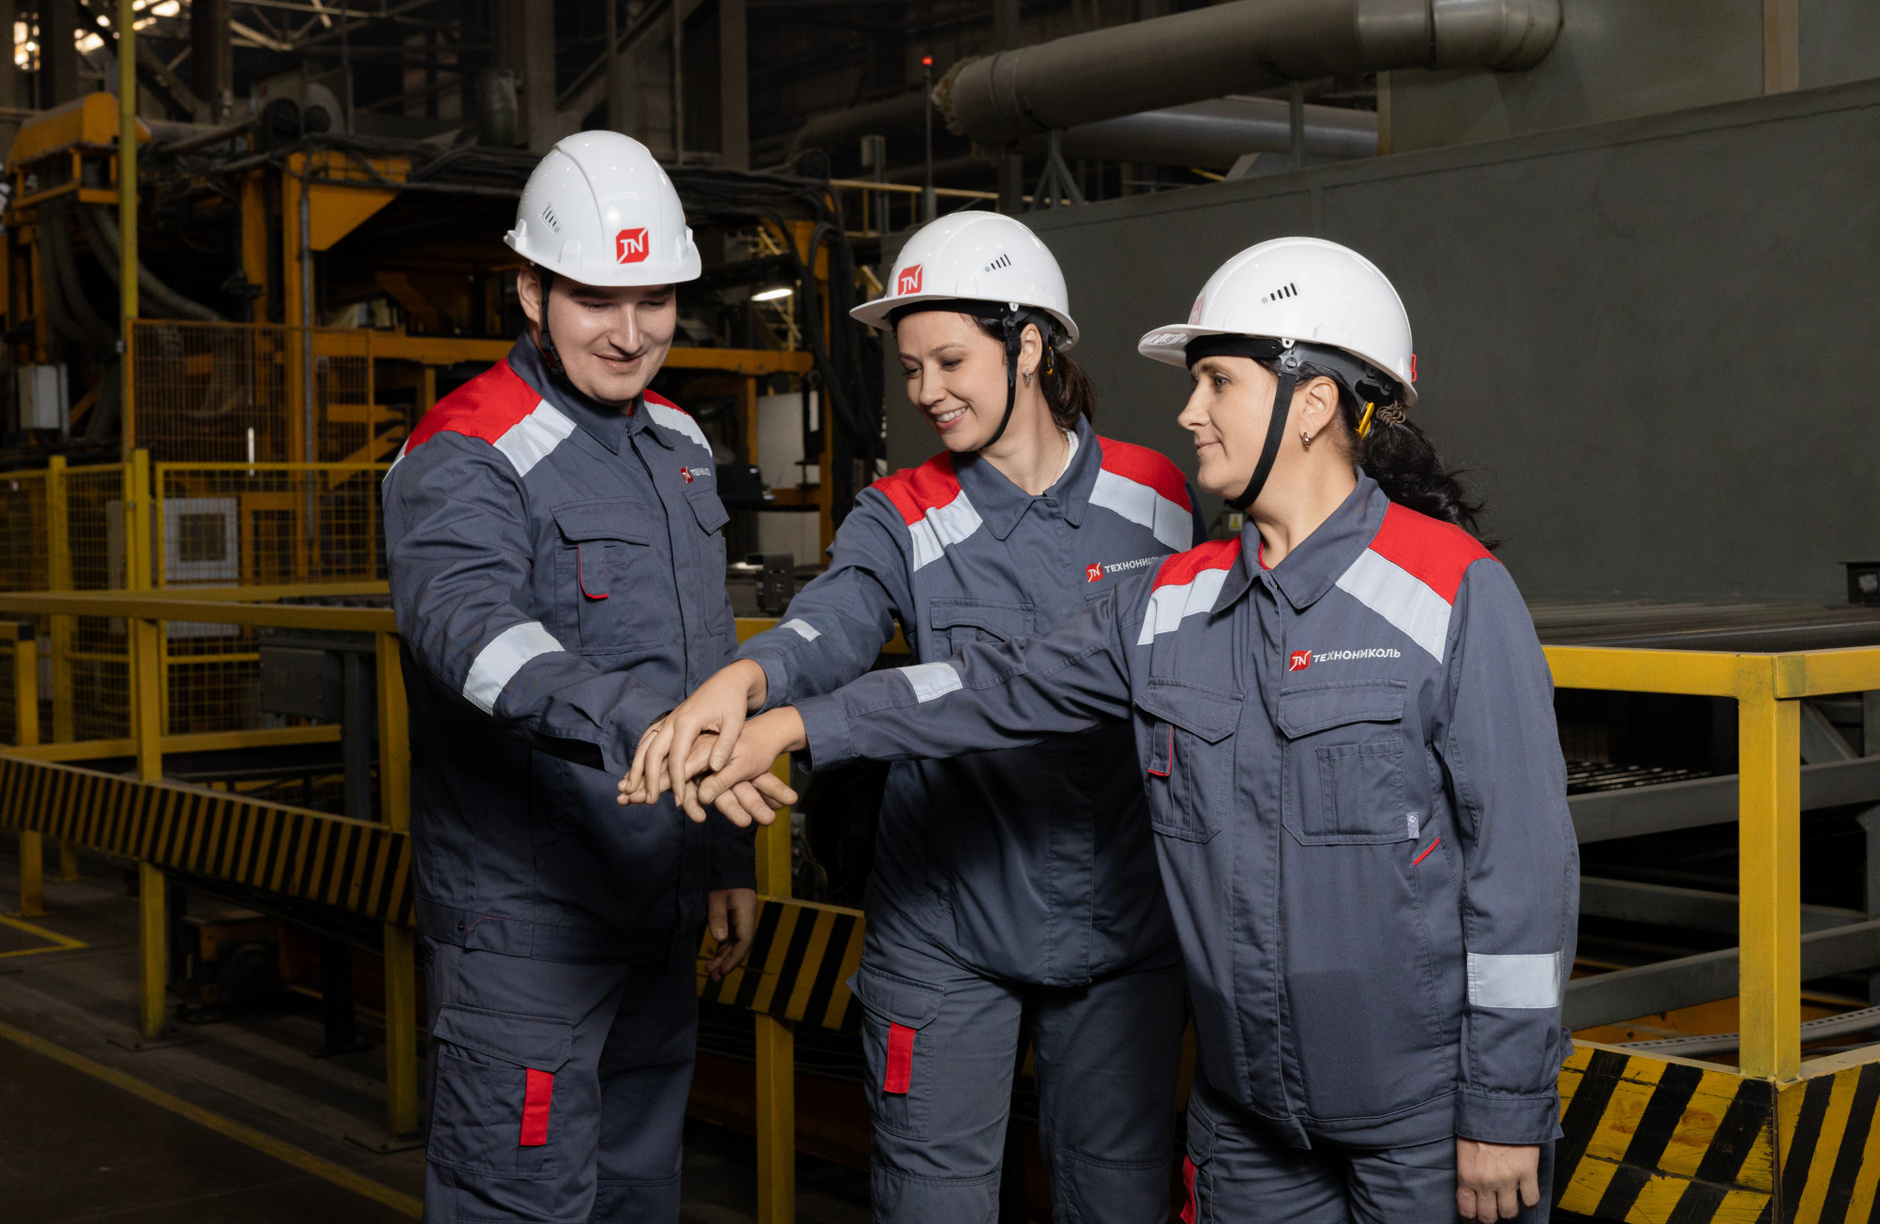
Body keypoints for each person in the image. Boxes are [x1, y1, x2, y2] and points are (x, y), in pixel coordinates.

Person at [664, 238, 1579, 1224]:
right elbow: (993, 680)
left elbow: (1521, 875)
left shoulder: (1449, 591)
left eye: (1216, 382)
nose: (1188, 411)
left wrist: (1504, 1105)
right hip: (1244, 1116)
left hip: (1409, 1113)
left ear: (1312, 402)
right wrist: (789, 717)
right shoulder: (1170, 600)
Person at [626, 210, 1201, 1222]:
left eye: (950, 361)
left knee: (1119, 1198)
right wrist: (748, 681)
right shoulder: (901, 510)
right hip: (945, 925)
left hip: (1120, 925)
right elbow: (832, 621)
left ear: (1030, 346)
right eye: (911, 368)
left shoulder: (1158, 496)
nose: (927, 391)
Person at [382, 131, 779, 1223]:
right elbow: (469, 633)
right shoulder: (466, 448)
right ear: (532, 291)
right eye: (597, 299)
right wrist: (645, 723)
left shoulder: (680, 443)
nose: (631, 332)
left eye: (655, 300)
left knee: (637, 1194)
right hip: (526, 930)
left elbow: (707, 661)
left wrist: (722, 855)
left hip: (657, 903)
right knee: (519, 1202)